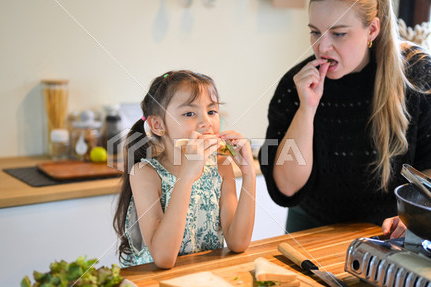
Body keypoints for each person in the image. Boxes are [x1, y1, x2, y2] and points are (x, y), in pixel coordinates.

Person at [259, 0, 431, 238]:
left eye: (339, 34)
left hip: (393, 230)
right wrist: (306, 110)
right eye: (315, 32)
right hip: (314, 228)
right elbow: (286, 189)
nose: (323, 47)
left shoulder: (418, 74)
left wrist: (417, 210)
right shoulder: (294, 86)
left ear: (372, 29)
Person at [113, 70, 256, 269]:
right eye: (189, 113)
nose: (206, 121)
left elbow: (238, 243)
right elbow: (163, 258)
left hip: (205, 278)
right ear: (158, 125)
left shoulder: (222, 166)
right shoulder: (144, 173)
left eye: (212, 111)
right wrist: (187, 176)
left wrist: (249, 175)